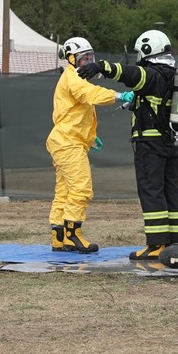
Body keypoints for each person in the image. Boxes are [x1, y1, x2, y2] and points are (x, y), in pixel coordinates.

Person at [78, 30, 178, 261]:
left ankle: (156, 245)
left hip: (149, 143)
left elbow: (128, 73)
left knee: (151, 191)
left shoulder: (150, 75)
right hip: (171, 142)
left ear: (146, 50)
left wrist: (100, 67)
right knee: (170, 189)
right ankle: (173, 242)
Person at [47, 37, 132, 254]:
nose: (88, 63)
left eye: (90, 58)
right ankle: (73, 235)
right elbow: (90, 95)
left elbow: (78, 114)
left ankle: (59, 237)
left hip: (65, 140)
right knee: (81, 189)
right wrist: (119, 95)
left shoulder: (74, 78)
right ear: (71, 58)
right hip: (68, 143)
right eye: (84, 59)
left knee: (64, 191)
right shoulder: (73, 77)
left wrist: (91, 137)